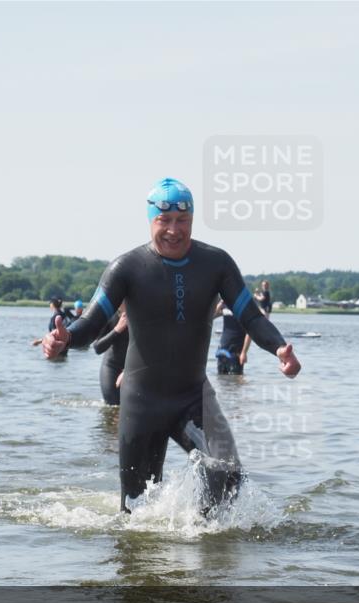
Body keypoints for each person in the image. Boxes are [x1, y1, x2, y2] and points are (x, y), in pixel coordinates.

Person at [43, 177, 301, 514]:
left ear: (192, 220)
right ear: (151, 220)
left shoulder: (216, 264)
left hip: (193, 396)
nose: (174, 230)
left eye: (183, 221)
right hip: (140, 401)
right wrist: (66, 339)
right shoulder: (127, 268)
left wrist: (279, 348)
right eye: (164, 221)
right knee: (135, 510)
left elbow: (250, 316)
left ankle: (202, 537)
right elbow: (91, 322)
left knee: (227, 471)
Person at [93, 303, 129, 406]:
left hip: (135, 367)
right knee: (113, 407)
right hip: (112, 367)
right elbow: (97, 348)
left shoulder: (141, 314)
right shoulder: (110, 316)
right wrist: (117, 329)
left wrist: (128, 370)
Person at [214, 300, 250, 375]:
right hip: (222, 350)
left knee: (236, 382)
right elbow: (211, 316)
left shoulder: (244, 306)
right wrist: (220, 304)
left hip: (236, 352)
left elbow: (249, 332)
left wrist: (244, 352)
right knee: (221, 380)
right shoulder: (225, 305)